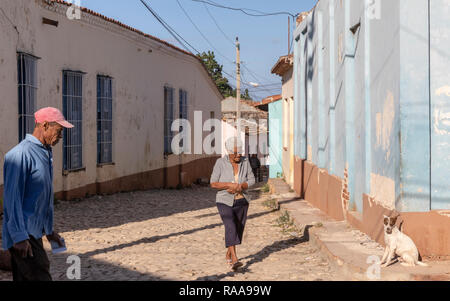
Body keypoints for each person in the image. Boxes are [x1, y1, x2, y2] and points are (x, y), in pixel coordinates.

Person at [2, 107, 74, 281]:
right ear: (45, 125)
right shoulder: (20, 155)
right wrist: (19, 237)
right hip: (23, 233)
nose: (61, 136)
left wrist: (48, 230)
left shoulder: (44, 152)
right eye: (59, 131)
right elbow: (12, 200)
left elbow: (41, 198)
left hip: (33, 232)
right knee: (40, 272)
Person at [210, 137, 255, 271]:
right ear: (229, 152)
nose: (239, 155)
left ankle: (228, 253)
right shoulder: (220, 163)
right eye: (235, 153)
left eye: (240, 152)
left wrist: (240, 186)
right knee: (230, 226)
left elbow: (252, 180)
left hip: (242, 200)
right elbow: (213, 183)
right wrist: (229, 185)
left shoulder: (245, 162)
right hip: (224, 200)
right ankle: (235, 259)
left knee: (239, 229)